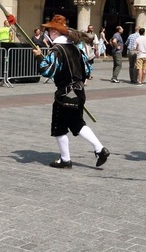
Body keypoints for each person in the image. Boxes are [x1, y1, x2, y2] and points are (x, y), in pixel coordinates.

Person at [32, 14, 109, 169]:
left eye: (49, 30)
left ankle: (65, 159)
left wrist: (40, 57)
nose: (48, 33)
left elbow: (48, 71)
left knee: (59, 126)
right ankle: (100, 149)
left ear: (55, 32)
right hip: (79, 91)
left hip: (65, 93)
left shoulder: (57, 49)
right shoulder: (76, 48)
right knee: (77, 123)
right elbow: (88, 69)